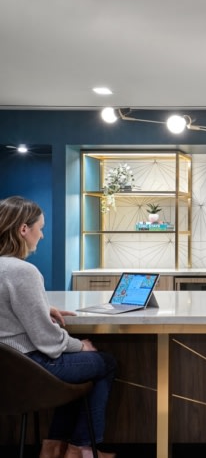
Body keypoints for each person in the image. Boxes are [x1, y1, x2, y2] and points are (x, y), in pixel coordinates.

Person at [0, 196, 117, 458]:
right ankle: (82, 448)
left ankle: (53, 447)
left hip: (8, 369)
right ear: (23, 229)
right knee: (104, 362)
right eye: (40, 228)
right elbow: (47, 340)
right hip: (30, 365)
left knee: (76, 371)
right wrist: (80, 346)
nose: (41, 236)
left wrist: (43, 308)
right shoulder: (23, 271)